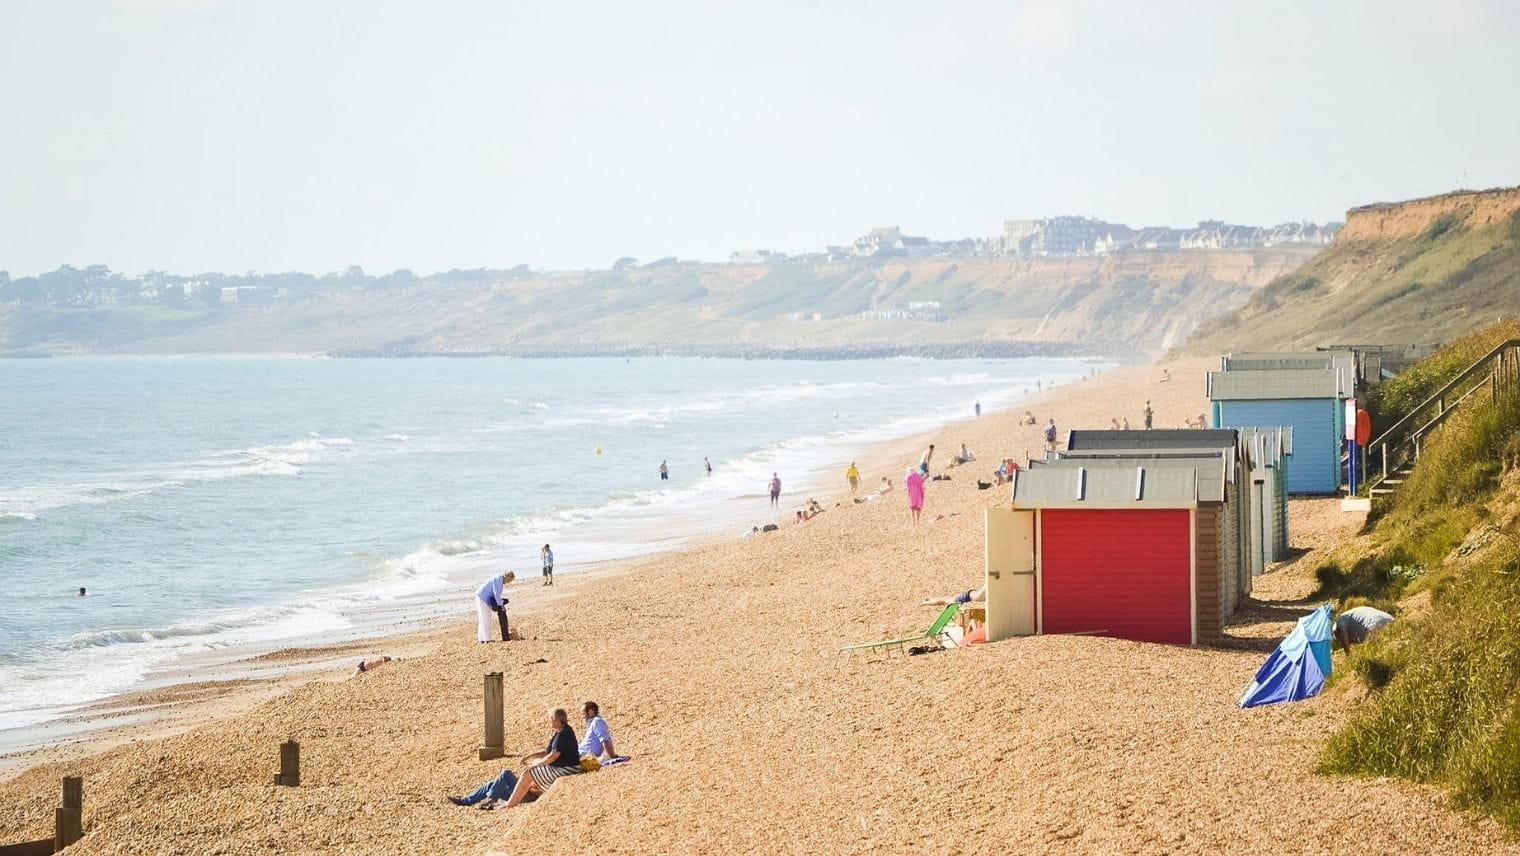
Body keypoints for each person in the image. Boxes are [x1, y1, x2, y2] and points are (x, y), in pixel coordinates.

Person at [453, 707, 582, 810]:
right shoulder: (561, 732)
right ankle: (467, 800)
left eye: (550, 719)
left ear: (556, 719)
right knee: (493, 783)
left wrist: (535, 765)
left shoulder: (563, 734)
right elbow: (548, 752)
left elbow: (552, 756)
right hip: (524, 792)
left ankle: (491, 799)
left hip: (528, 795)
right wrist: (529, 757)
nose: (549, 721)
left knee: (506, 774)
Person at [475, 571, 514, 643]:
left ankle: (482, 639)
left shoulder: (499, 579)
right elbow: (497, 595)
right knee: (485, 618)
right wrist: (501, 605)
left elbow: (497, 594)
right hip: (482, 597)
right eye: (509, 581)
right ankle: (486, 639)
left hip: (483, 598)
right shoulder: (498, 580)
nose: (508, 583)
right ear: (508, 577)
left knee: (485, 618)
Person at [921, 586, 986, 606]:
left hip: (968, 595)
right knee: (945, 601)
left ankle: (929, 601)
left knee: (946, 600)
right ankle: (927, 602)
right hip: (965, 596)